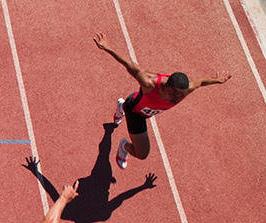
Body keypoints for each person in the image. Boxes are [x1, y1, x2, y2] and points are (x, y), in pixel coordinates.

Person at [93, 32, 231, 169]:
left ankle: (120, 108)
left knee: (142, 153)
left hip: (146, 110)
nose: (176, 99)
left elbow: (200, 82)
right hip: (136, 112)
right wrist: (107, 47)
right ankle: (125, 144)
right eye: (174, 94)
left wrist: (216, 80)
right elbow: (130, 64)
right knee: (142, 154)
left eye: (180, 96)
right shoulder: (149, 82)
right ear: (166, 86)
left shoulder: (188, 88)